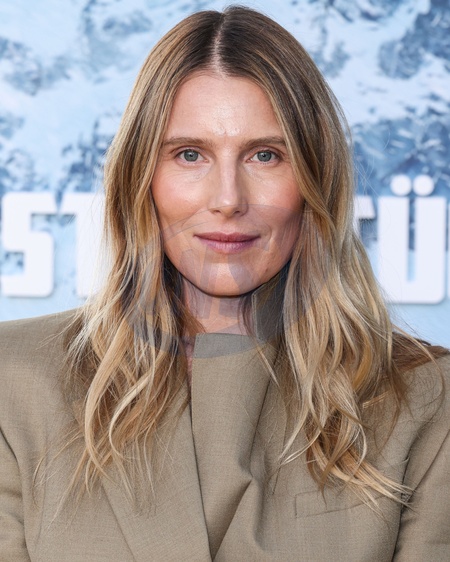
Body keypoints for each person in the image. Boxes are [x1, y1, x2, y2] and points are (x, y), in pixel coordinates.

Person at [0, 6, 449, 561]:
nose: (229, 198)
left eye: (266, 155)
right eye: (190, 155)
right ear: (141, 178)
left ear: (315, 179)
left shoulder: (427, 398)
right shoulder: (13, 382)